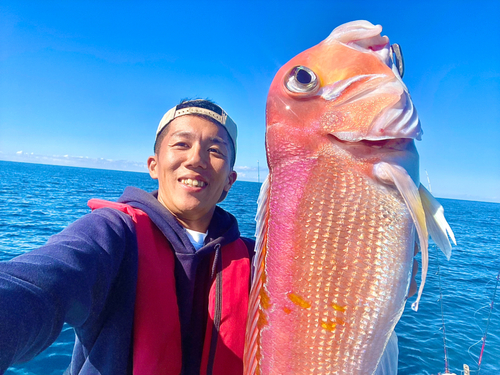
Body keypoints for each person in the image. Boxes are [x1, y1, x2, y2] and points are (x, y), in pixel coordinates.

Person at [0, 99, 254, 374]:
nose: (196, 160)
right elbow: (36, 283)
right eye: (182, 144)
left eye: (215, 150)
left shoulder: (259, 262)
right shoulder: (111, 233)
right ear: (154, 165)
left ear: (230, 180)